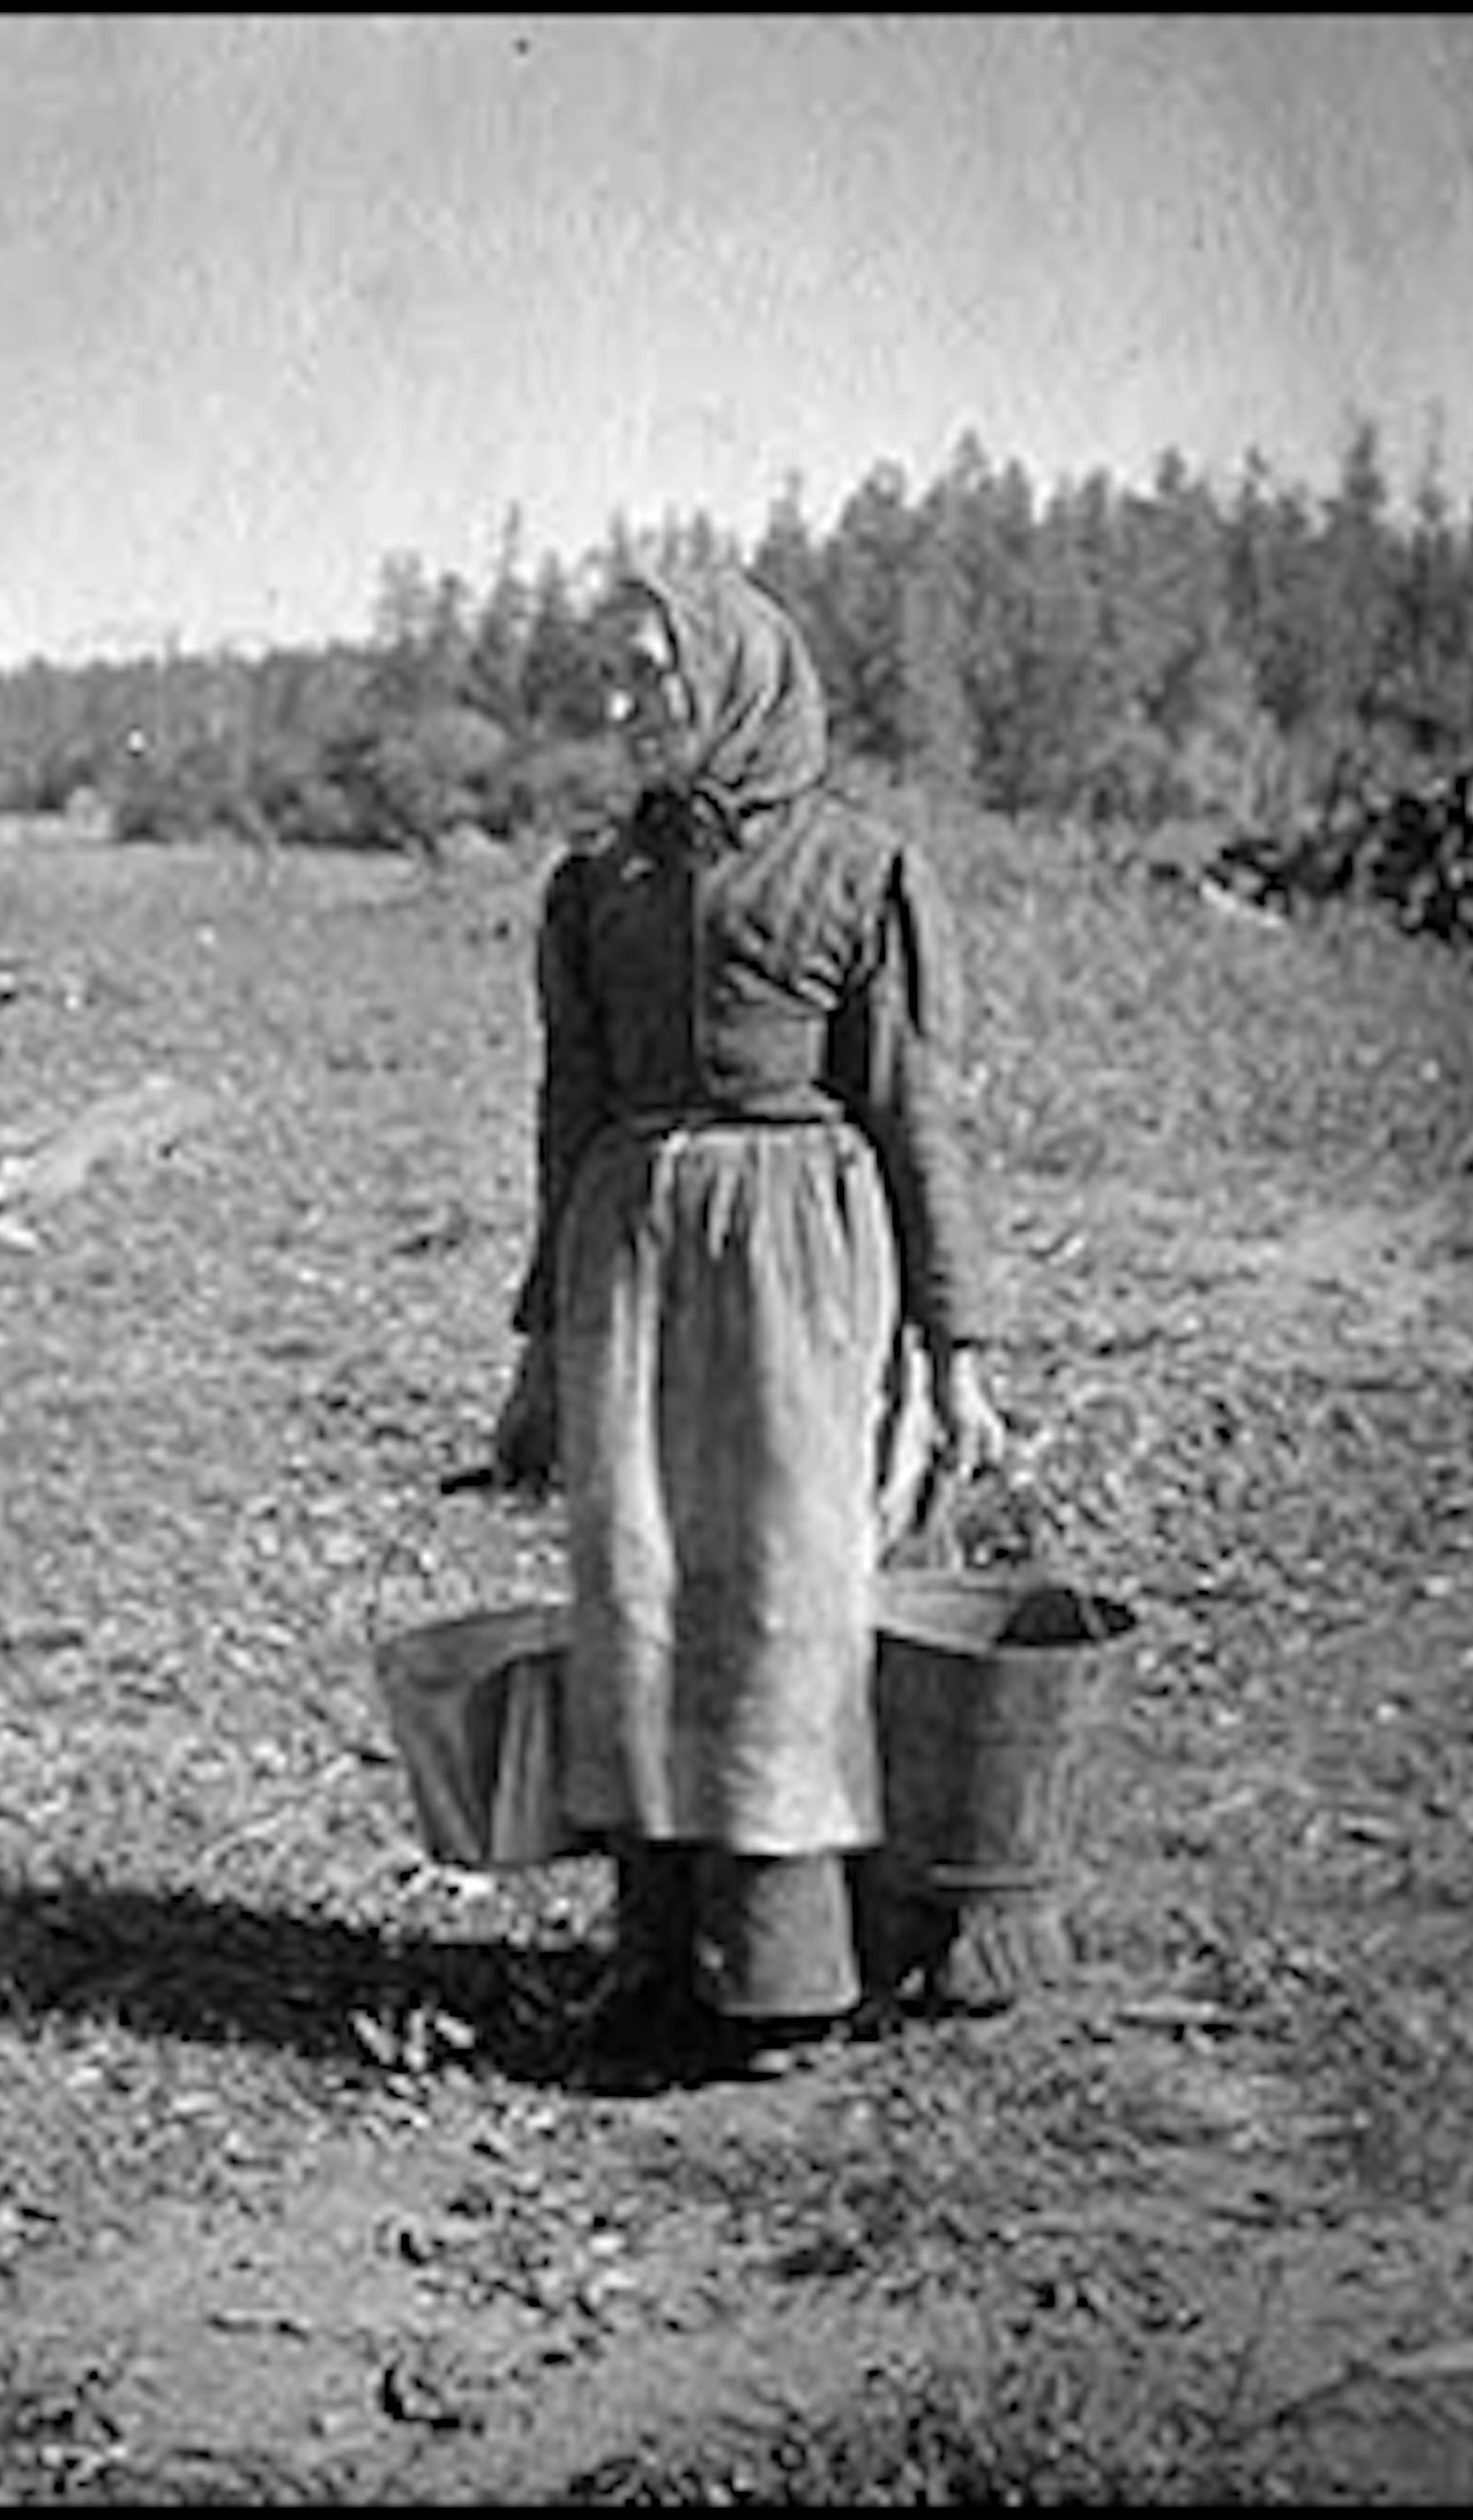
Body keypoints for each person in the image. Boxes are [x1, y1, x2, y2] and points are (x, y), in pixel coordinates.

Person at [492, 562, 1007, 2093]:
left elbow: (916, 1116)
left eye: (649, 671)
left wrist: (957, 1351)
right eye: (612, 674)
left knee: (788, 1595)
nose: (620, 704)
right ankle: (658, 1961)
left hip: (800, 1264)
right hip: (630, 1262)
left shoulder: (860, 869)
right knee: (638, 1587)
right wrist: (538, 1345)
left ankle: (786, 1975)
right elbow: (569, 1113)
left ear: (732, 678)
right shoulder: (598, 886)